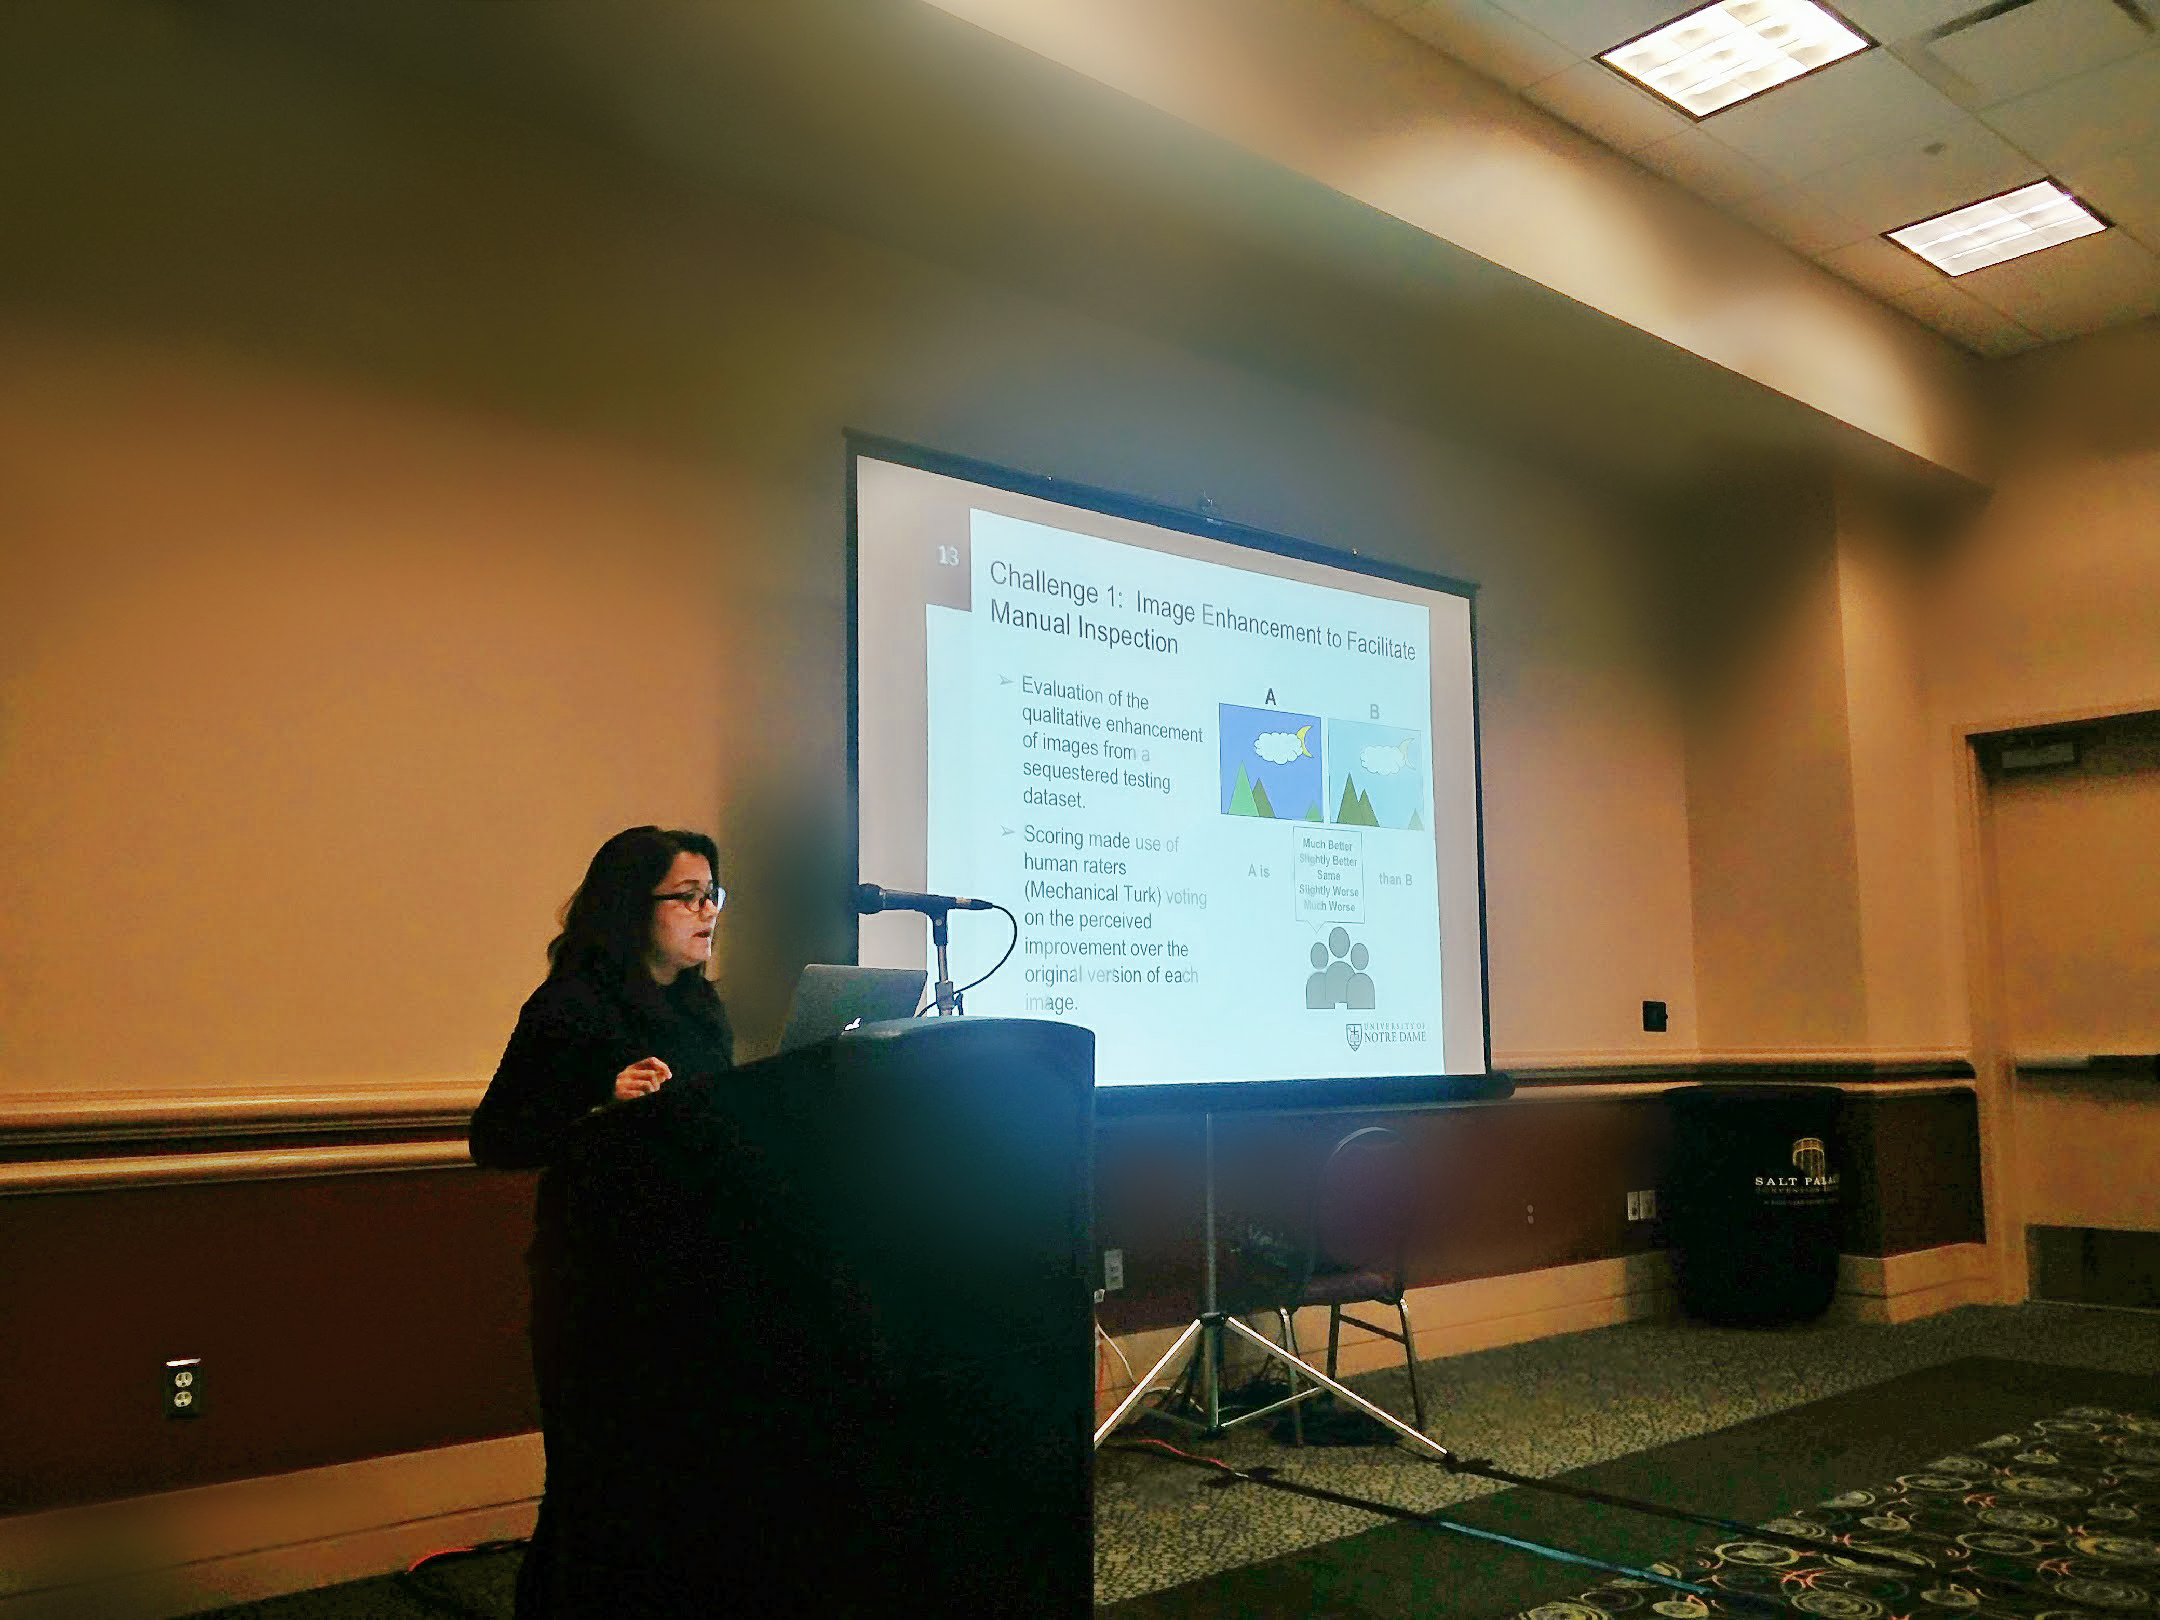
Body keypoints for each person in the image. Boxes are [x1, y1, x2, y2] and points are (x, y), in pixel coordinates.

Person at [469, 825, 735, 1618]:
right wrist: (598, 1100)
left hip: (690, 1269)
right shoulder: (569, 1007)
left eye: (712, 894)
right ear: (630, 907)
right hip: (599, 1279)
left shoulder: (701, 1008)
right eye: (686, 896)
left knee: (679, 1485)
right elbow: (497, 1138)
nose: (707, 912)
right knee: (596, 1484)